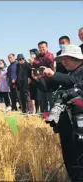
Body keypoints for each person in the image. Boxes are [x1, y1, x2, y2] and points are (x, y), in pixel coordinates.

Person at [32, 45, 83, 181]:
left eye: (67, 58)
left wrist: (54, 74)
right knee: (69, 156)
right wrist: (37, 80)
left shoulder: (79, 73)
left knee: (79, 158)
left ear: (77, 58)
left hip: (79, 126)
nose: (64, 62)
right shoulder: (68, 74)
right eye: (62, 59)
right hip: (66, 123)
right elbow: (48, 88)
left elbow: (75, 83)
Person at [29, 41, 54, 112]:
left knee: (50, 101)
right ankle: (44, 117)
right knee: (42, 102)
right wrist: (31, 65)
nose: (41, 49)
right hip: (40, 82)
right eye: (39, 47)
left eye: (43, 47)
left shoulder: (50, 55)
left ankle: (52, 119)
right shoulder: (37, 57)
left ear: (47, 47)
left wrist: (34, 62)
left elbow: (43, 64)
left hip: (49, 82)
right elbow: (34, 67)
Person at [29, 49, 40, 113]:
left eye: (33, 53)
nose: (32, 55)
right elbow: (28, 71)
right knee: (34, 97)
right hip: (32, 82)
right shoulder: (30, 63)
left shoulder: (38, 61)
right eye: (31, 54)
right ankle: (35, 110)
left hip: (38, 81)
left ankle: (38, 110)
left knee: (38, 97)